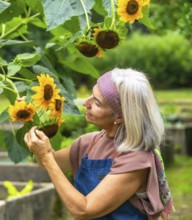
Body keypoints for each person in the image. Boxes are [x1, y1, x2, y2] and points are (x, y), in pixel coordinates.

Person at [24, 68, 174, 220]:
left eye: (96, 102)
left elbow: (84, 209)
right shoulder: (88, 143)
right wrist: (30, 116)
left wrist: (47, 156)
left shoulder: (136, 158)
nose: (85, 103)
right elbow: (49, 163)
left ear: (120, 117)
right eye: (91, 94)